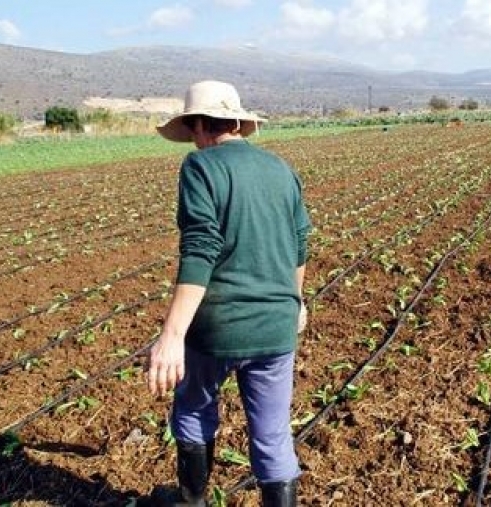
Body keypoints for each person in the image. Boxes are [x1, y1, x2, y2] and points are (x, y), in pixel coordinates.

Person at [147, 80, 312, 506]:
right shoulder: (281, 169)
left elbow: (201, 247)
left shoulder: (201, 168)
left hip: (217, 327)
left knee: (194, 411)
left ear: (200, 125)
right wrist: (295, 302)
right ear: (237, 122)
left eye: (192, 132)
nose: (194, 142)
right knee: (273, 435)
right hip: (276, 326)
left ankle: (193, 501)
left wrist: (172, 335)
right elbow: (299, 246)